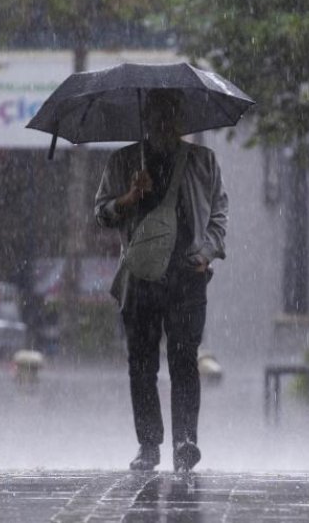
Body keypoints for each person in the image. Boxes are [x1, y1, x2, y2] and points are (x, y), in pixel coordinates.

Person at [93, 88, 228, 473]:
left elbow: (219, 212)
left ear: (180, 118)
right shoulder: (123, 162)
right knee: (141, 364)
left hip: (188, 276)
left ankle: (186, 442)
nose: (163, 122)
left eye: (170, 113)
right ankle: (149, 445)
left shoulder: (203, 161)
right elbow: (102, 214)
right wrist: (130, 197)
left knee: (184, 359)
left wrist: (207, 253)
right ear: (146, 118)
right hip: (140, 279)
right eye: (155, 114)